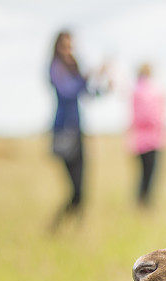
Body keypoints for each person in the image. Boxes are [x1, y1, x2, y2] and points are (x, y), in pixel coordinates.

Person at [48, 30, 109, 231]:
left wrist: (103, 84)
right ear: (57, 47)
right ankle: (54, 228)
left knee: (82, 190)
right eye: (65, 45)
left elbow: (88, 94)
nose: (69, 49)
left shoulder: (74, 69)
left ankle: (76, 230)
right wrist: (88, 75)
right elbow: (68, 92)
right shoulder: (55, 69)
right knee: (74, 190)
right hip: (63, 134)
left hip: (77, 132)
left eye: (71, 45)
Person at [128, 63, 166, 207]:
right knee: (149, 175)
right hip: (151, 140)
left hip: (139, 141)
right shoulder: (150, 91)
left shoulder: (136, 90)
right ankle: (144, 204)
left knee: (144, 175)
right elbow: (151, 115)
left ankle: (142, 203)